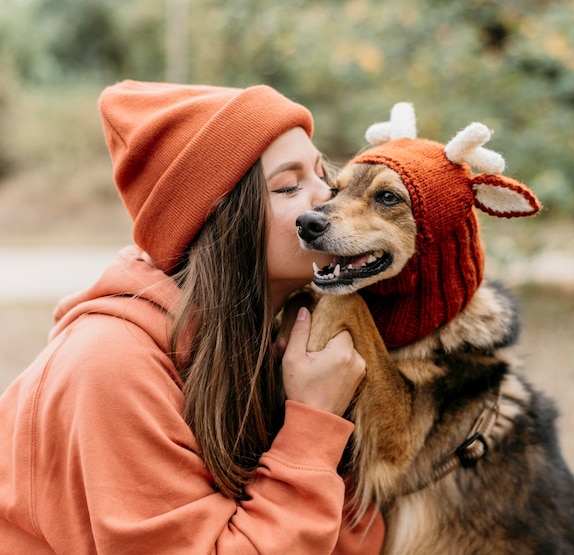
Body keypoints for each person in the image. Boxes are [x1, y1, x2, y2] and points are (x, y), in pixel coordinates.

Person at [0, 80, 385, 553]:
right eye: (288, 186)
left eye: (323, 174)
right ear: (219, 223)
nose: (327, 199)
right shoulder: (111, 367)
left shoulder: (285, 343)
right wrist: (313, 426)